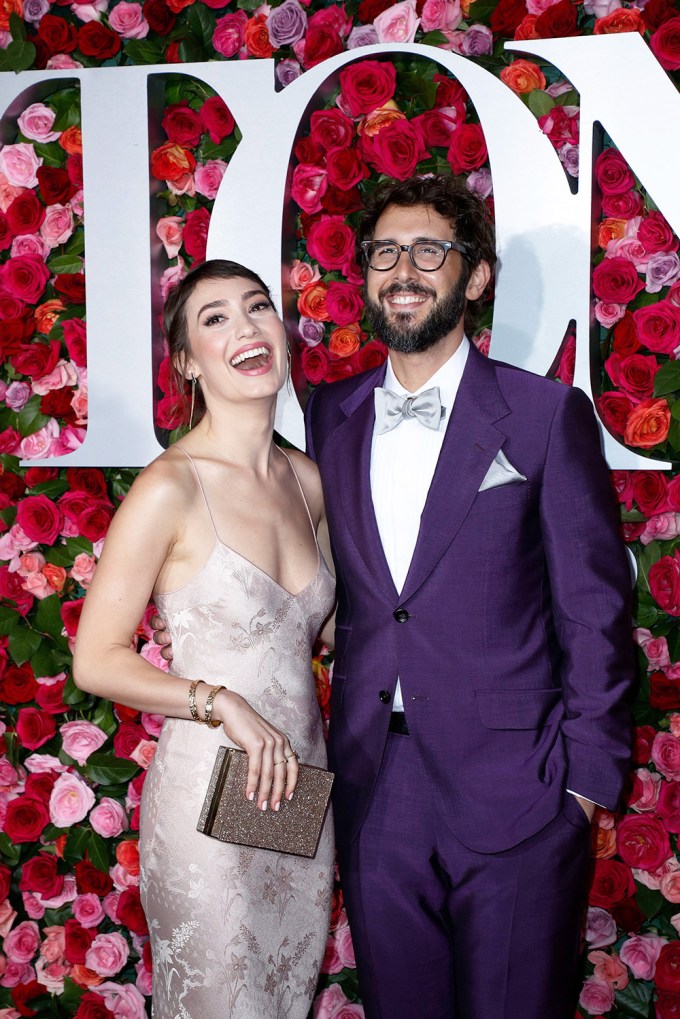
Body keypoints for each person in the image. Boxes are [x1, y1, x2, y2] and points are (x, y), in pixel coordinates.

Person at [302, 174, 634, 1019]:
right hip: (375, 786)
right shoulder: (330, 414)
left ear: (475, 277)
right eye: (384, 252)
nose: (402, 271)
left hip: (520, 785)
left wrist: (583, 788)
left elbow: (594, 610)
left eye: (428, 251)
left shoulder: (543, 414)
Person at [73, 259, 335, 1019]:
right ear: (187, 362)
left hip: (297, 793)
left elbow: (328, 631)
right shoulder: (170, 486)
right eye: (215, 318)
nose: (246, 327)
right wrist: (220, 701)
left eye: (257, 307)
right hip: (206, 801)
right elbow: (95, 659)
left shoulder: (308, 481)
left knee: (282, 1001)